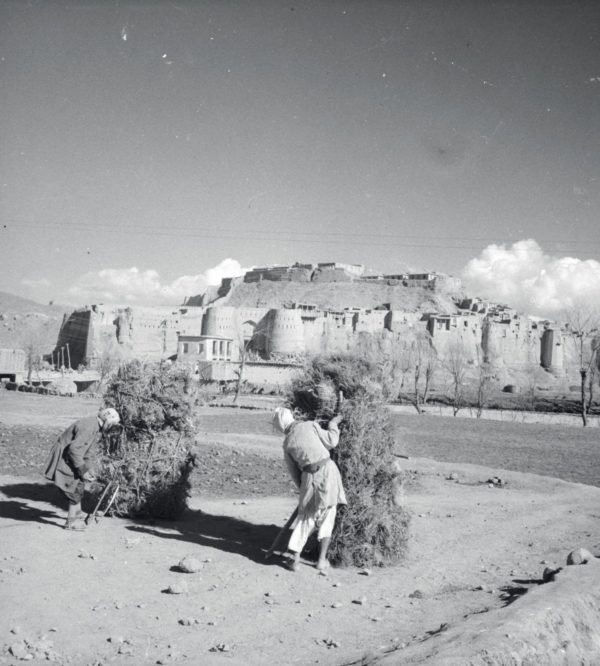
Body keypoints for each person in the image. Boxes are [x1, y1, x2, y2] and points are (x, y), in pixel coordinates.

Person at [273, 407, 347, 572]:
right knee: (329, 514)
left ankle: (295, 561)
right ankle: (321, 561)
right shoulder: (309, 425)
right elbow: (332, 442)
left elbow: (294, 473)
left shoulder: (286, 444)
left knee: (305, 517)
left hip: (308, 477)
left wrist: (304, 489)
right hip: (328, 471)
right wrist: (333, 424)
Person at [44, 407, 121, 530]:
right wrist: (82, 470)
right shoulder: (89, 426)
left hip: (73, 455)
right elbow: (74, 450)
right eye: (111, 425)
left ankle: (78, 512)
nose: (111, 428)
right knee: (72, 488)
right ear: (106, 420)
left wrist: (89, 469)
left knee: (79, 483)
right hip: (65, 455)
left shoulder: (96, 427)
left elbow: (88, 452)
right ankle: (71, 522)